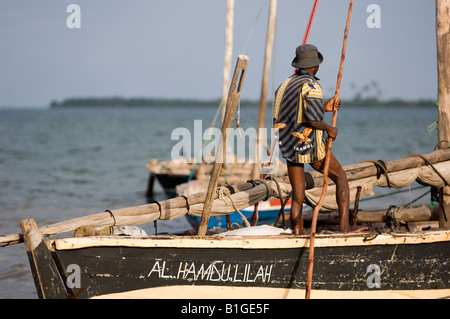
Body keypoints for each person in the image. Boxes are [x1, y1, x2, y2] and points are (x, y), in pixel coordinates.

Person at [273, 44, 367, 235]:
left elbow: (297, 114)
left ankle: (297, 231)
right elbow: (312, 120)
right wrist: (329, 128)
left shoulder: (283, 85)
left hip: (288, 145)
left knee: (297, 193)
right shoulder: (312, 85)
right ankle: (345, 227)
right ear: (315, 66)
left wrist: (324, 107)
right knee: (340, 176)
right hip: (308, 145)